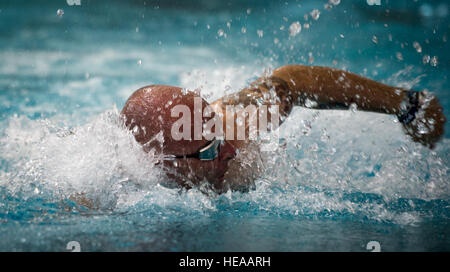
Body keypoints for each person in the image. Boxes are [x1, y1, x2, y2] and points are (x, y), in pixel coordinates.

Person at [121, 65, 446, 193]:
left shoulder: (231, 131)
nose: (230, 152)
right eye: (210, 151)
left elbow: (287, 83)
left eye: (218, 137)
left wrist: (408, 106)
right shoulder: (111, 187)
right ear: (163, 164)